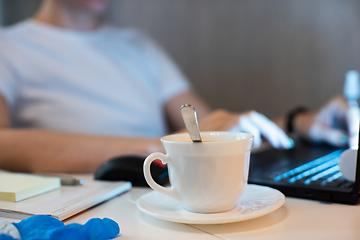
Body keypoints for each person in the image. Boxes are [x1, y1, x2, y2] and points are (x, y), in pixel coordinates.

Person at [0, 0, 357, 173]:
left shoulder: (137, 45)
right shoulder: (9, 46)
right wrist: (167, 148)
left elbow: (209, 130)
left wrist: (297, 124)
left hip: (160, 195)